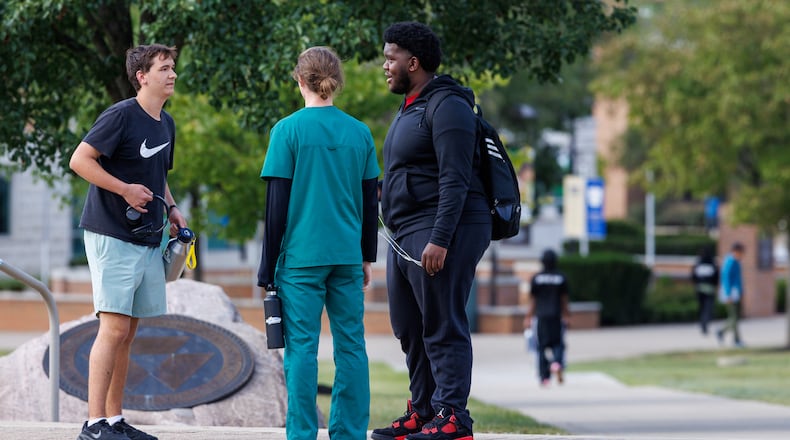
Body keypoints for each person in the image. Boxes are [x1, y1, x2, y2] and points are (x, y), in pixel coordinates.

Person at [373, 21, 491, 440]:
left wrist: (440, 238)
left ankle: (454, 416)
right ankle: (423, 411)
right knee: (408, 325)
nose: (385, 66)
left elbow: (455, 178)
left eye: (391, 58)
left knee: (442, 323)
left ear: (414, 61)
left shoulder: (449, 106)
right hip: (406, 230)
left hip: (444, 228)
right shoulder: (412, 105)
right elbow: (408, 172)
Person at [256, 46, 379, 440]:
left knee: (302, 351)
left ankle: (303, 434)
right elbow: (368, 201)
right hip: (346, 256)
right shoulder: (360, 132)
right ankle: (349, 434)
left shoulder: (287, 131)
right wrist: (366, 257)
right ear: (336, 82)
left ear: (299, 80)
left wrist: (266, 268)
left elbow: (276, 209)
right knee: (351, 348)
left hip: (300, 260)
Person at [70, 44, 187, 440]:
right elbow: (80, 160)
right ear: (142, 75)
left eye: (173, 68)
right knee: (114, 328)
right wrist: (123, 190)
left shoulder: (165, 123)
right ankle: (93, 424)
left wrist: (171, 209)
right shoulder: (121, 115)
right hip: (111, 234)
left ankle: (114, 421)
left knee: (128, 332)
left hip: (148, 239)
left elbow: (157, 175)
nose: (172, 74)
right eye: (164, 68)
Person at [523, 249, 570, 387]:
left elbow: (533, 300)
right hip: (556, 316)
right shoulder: (561, 277)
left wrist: (528, 317)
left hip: (541, 317)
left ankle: (545, 377)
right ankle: (556, 363)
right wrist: (567, 315)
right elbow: (564, 299)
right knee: (558, 343)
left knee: (541, 347)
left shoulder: (536, 278)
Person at [717, 242, 745, 347]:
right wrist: (728, 294)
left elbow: (739, 280)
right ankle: (736, 340)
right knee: (733, 317)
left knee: (735, 317)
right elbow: (726, 279)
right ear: (735, 251)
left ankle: (722, 332)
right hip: (730, 294)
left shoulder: (737, 262)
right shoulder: (729, 262)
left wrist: (742, 292)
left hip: (736, 293)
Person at [691, 246, 719, 335]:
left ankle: (703, 324)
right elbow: (716, 277)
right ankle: (705, 324)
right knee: (708, 308)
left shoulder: (698, 263)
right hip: (709, 290)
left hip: (699, 289)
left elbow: (693, 276)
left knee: (702, 308)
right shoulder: (712, 263)